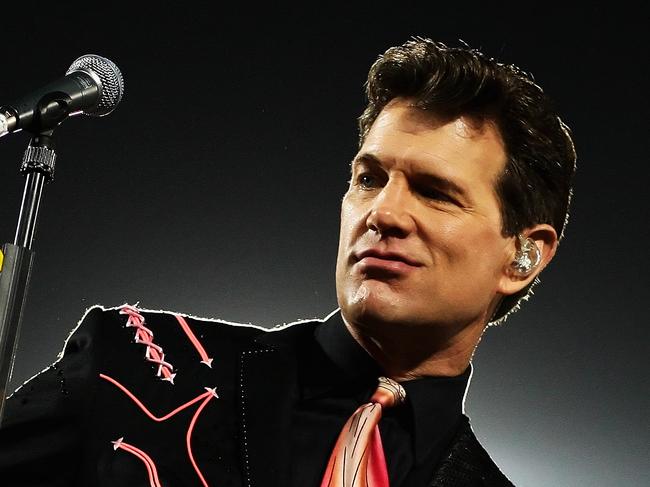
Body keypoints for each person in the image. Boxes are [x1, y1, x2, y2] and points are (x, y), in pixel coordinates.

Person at [0, 37, 576, 487]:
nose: (385, 212)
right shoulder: (132, 361)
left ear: (523, 256)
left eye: (435, 192)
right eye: (369, 179)